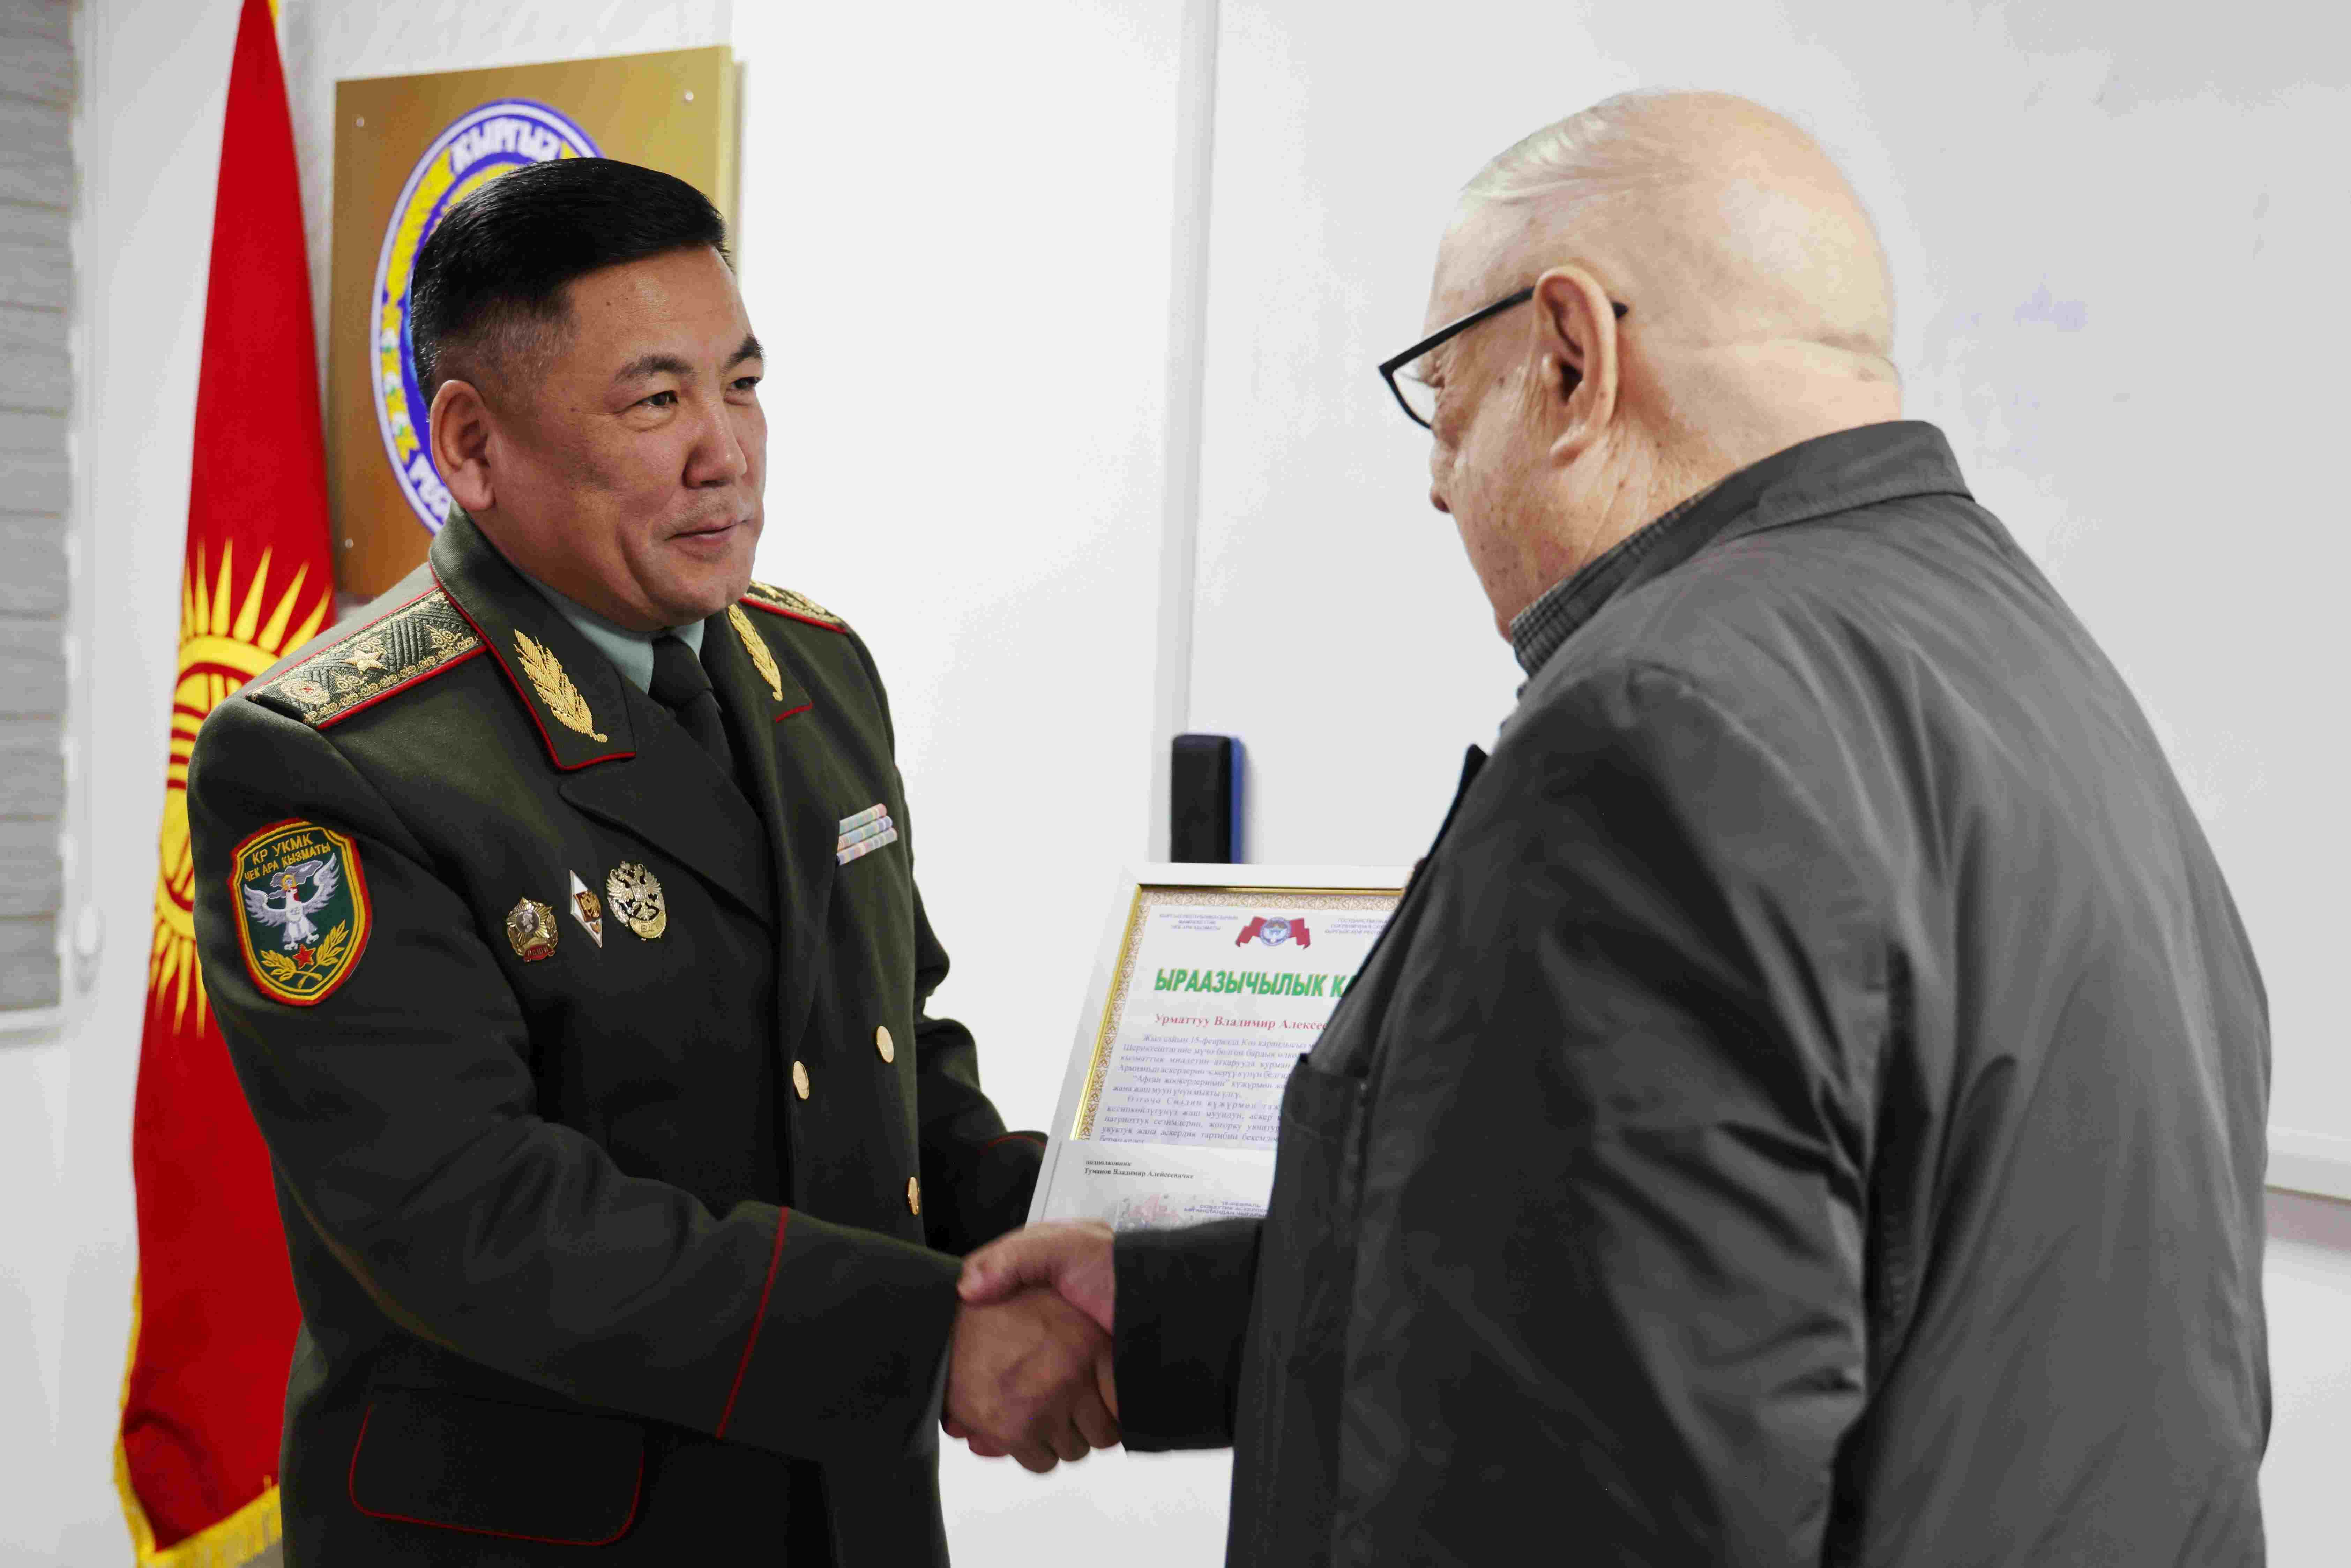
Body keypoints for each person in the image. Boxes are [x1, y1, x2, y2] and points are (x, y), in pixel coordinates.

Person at [960, 89, 2271, 1565]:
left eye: (1444, 399)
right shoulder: (2024, 660)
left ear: (1570, 357)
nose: (1437, 479)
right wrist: (1179, 1315)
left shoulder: (1652, 734)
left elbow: (1585, 1484)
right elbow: (1754, 1275)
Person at [188, 158, 1114, 1567]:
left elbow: (888, 1057)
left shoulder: (814, 669)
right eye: (655, 400)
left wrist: (1091, 1234)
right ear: (472, 444)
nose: (724, 452)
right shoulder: (331, 758)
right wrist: (934, 1337)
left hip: (844, 1513)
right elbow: (472, 1213)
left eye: (742, 385)